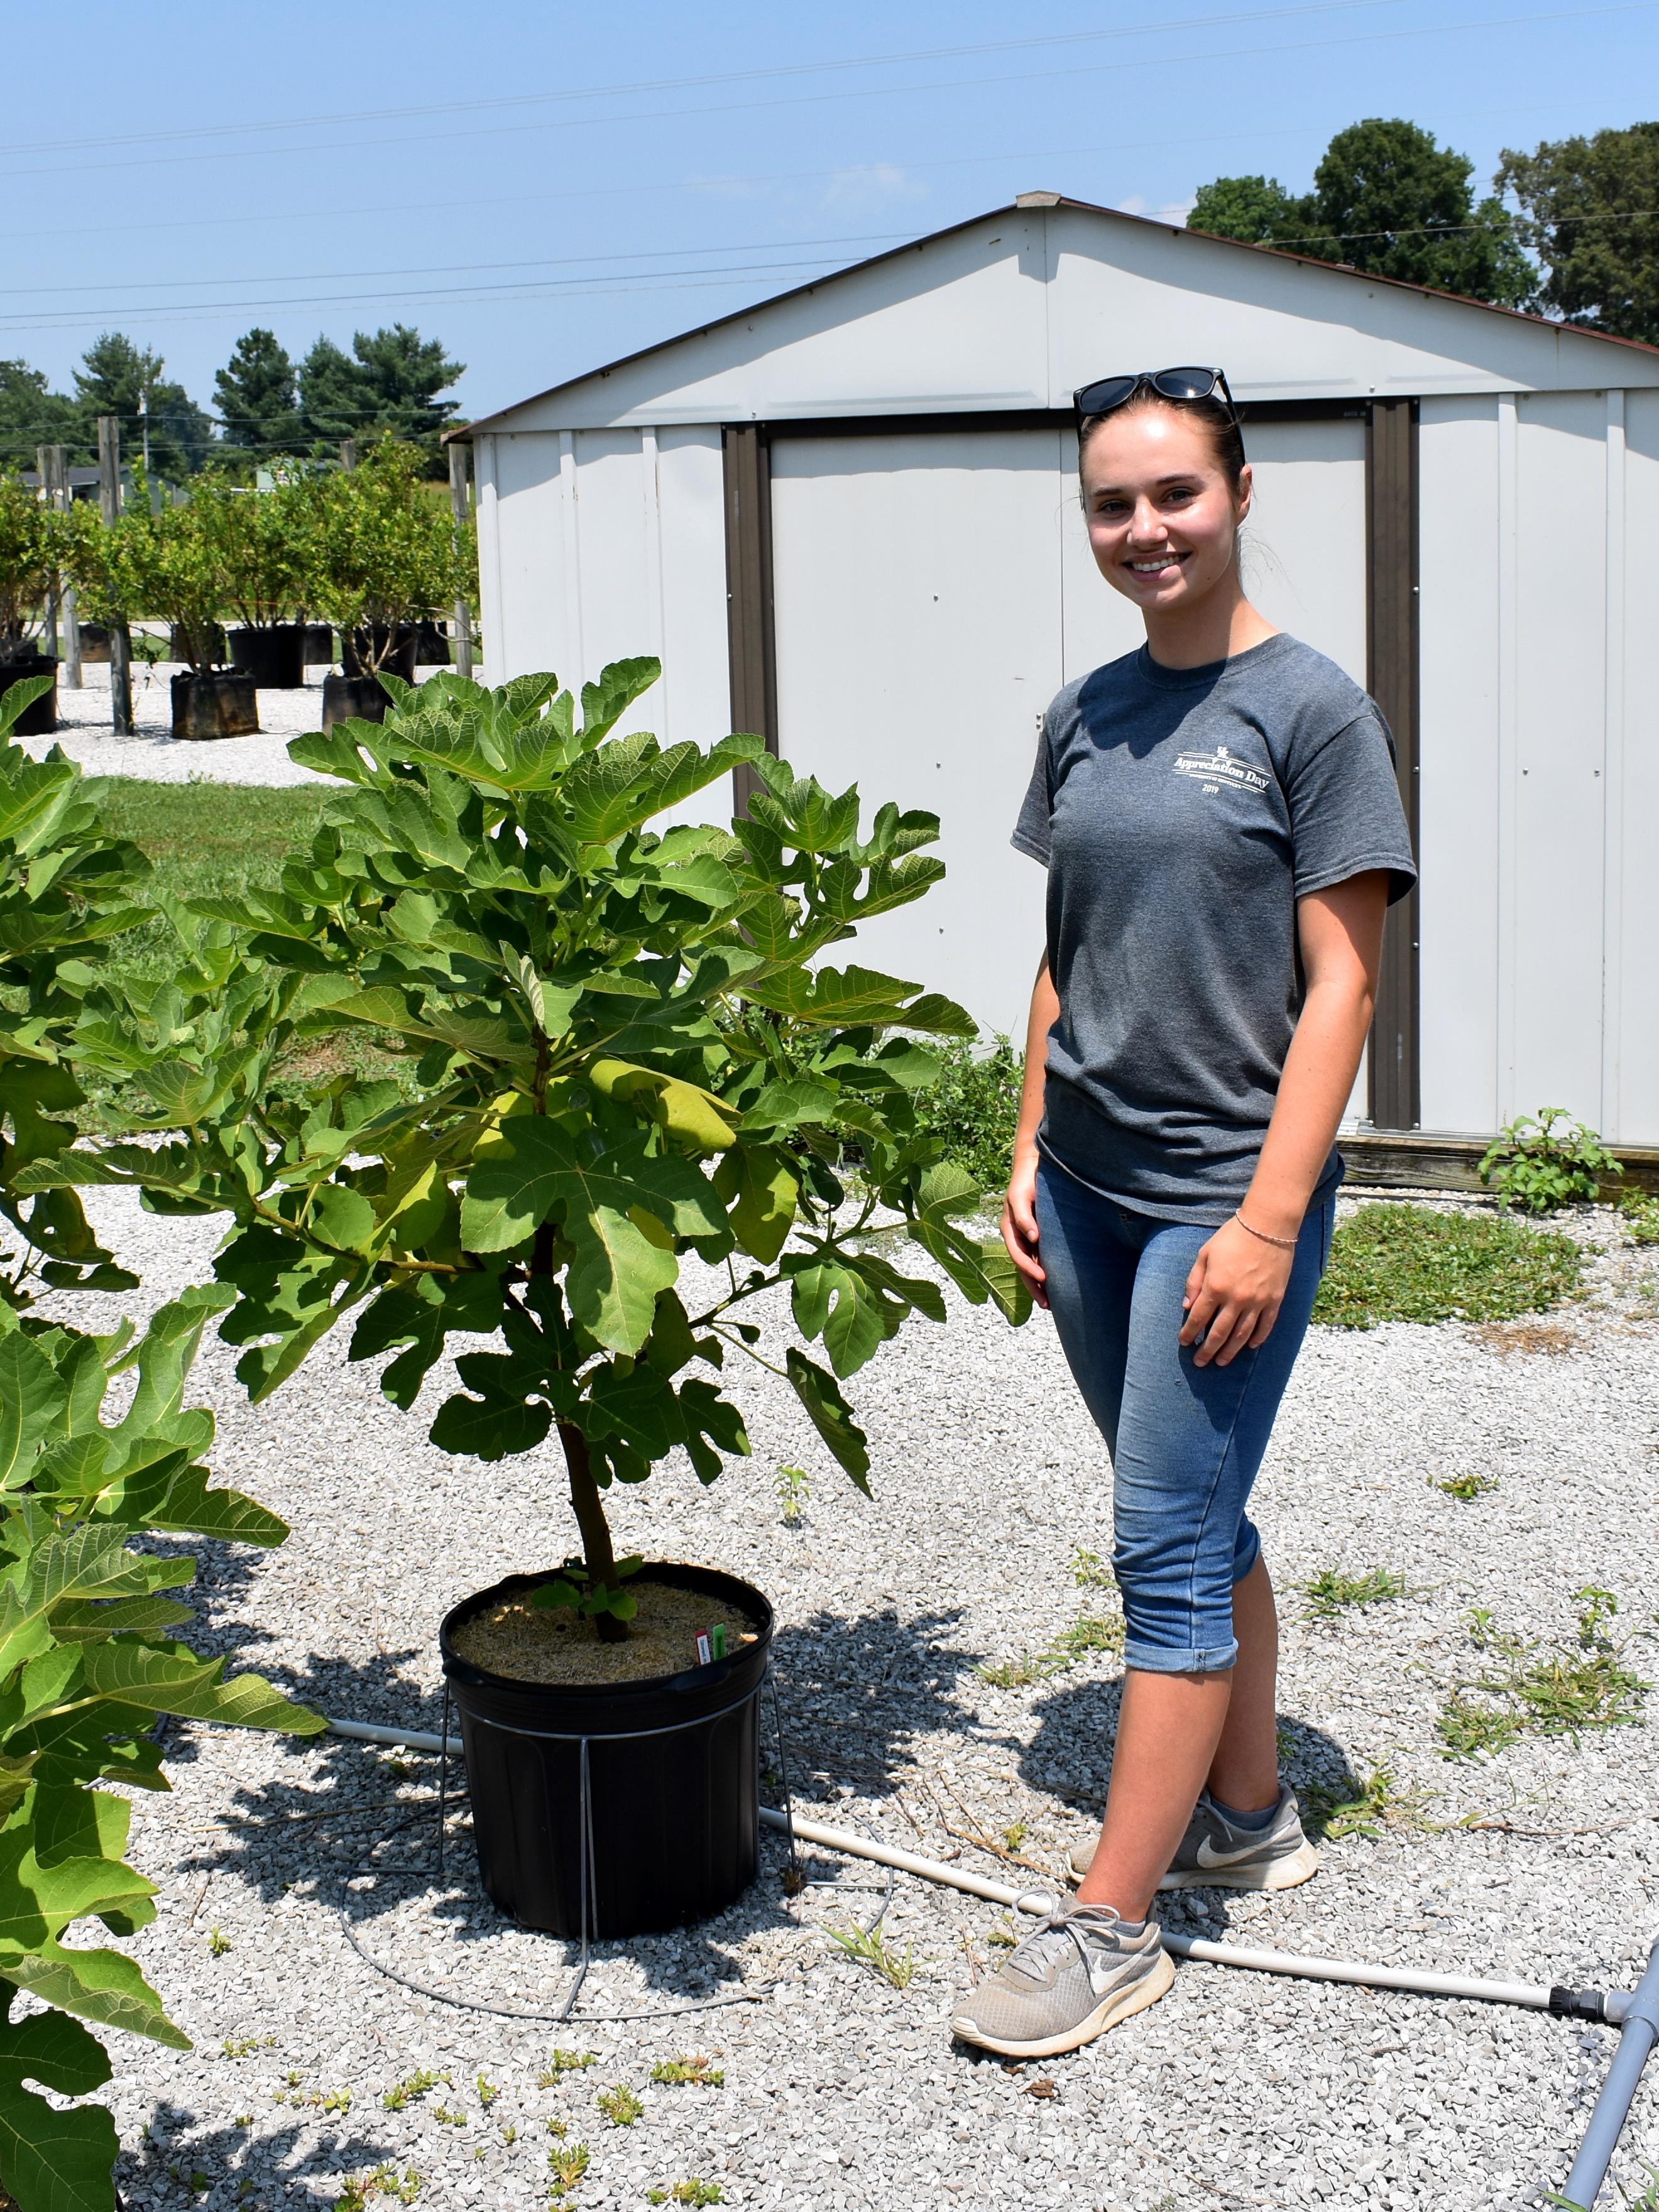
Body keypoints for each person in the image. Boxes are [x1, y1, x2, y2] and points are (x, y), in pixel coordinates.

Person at [949, 367, 1416, 2061]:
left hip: (1223, 1206)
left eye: (1173, 496)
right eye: (1111, 504)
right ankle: (1250, 1813)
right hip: (1084, 1194)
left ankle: (1115, 1924)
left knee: (1158, 1545)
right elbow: (1065, 953)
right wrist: (1022, 1145)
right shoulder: (1085, 715)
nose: (1143, 530)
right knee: (1198, 1514)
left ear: (1236, 493)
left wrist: (1273, 1219)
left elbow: (1347, 981)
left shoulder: (1309, 711)